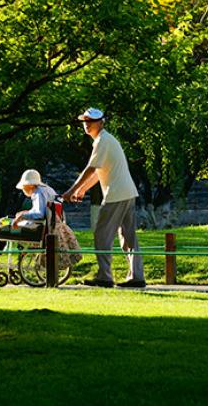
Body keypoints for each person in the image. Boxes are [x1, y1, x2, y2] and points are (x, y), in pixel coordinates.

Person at [62, 107, 146, 288]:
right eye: (85, 121)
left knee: (102, 233)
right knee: (128, 237)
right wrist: (82, 190)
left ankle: (105, 276)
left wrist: (71, 190)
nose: (86, 124)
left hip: (116, 194)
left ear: (101, 122)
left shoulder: (102, 141)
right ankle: (137, 277)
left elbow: (91, 169)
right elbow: (98, 172)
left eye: (90, 121)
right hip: (127, 193)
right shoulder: (105, 140)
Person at [0, 169, 57, 277]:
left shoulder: (37, 192)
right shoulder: (47, 190)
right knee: (3, 224)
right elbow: (40, 211)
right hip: (40, 226)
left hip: (35, 228)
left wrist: (22, 216)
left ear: (29, 185)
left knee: (0, 229)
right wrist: (24, 213)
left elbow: (39, 214)